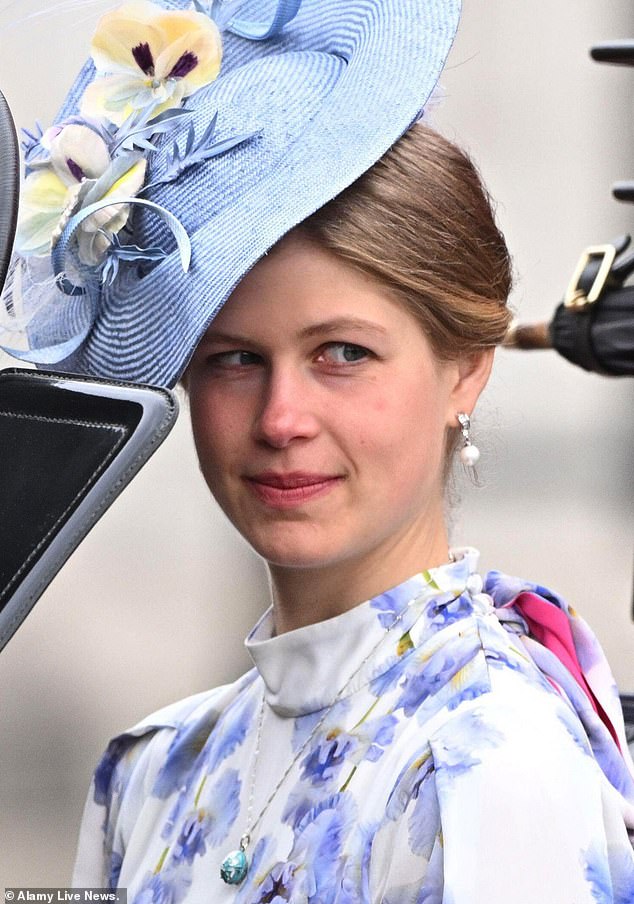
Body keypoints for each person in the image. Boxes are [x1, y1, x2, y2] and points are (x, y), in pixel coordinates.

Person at [2, 0, 634, 900]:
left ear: (465, 370)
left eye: (343, 354)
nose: (281, 417)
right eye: (234, 360)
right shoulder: (148, 774)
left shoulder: (487, 759)